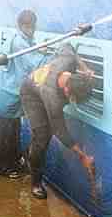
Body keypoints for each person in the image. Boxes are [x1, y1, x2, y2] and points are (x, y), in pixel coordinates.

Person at [19, 43, 95, 199]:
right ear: (67, 90)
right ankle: (35, 183)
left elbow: (67, 47)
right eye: (73, 99)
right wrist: (82, 156)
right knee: (42, 137)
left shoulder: (67, 61)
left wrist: (85, 68)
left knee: (41, 138)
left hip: (42, 90)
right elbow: (60, 131)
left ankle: (28, 155)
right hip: (31, 96)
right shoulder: (53, 97)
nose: (72, 102)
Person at [0, 10, 49, 179]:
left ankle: (14, 162)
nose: (32, 29)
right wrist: (53, 56)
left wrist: (42, 51)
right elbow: (33, 63)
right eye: (29, 26)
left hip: (13, 94)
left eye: (33, 26)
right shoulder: (19, 42)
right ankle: (4, 168)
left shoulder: (24, 39)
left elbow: (32, 54)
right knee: (3, 134)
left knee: (13, 132)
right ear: (22, 25)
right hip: (7, 94)